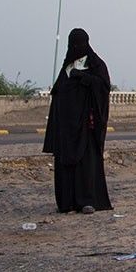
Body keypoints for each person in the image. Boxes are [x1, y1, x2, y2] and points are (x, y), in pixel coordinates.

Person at [43, 28, 112, 214]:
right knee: (66, 165)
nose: (77, 49)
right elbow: (58, 93)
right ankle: (67, 202)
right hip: (67, 128)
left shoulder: (96, 65)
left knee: (86, 164)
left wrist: (84, 78)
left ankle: (87, 200)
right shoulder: (67, 68)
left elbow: (104, 87)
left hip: (86, 127)